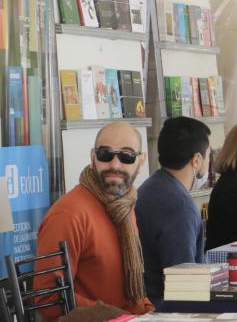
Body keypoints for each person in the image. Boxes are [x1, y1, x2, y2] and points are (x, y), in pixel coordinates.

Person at [34, 122, 154, 320]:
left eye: (126, 156)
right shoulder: (69, 214)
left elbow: (133, 296)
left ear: (141, 161)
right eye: (105, 154)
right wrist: (119, 317)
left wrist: (152, 315)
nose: (115, 165)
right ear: (92, 157)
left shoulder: (123, 206)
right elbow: (48, 298)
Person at [135, 117, 211, 299]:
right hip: (163, 305)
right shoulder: (180, 207)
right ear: (197, 160)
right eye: (208, 156)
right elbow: (185, 282)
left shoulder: (148, 187)